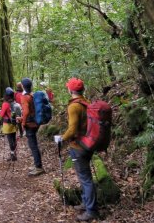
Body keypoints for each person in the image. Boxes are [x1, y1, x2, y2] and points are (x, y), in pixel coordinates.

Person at [58, 77, 99, 221]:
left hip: (78, 146)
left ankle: (91, 211)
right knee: (85, 177)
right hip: (88, 144)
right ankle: (86, 202)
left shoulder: (74, 106)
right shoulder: (86, 102)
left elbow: (72, 129)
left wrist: (62, 138)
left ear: (70, 90)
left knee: (85, 178)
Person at [20, 77, 45, 176]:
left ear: (23, 86)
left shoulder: (25, 97)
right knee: (33, 145)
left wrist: (23, 122)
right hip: (35, 123)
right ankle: (37, 164)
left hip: (30, 124)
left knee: (33, 146)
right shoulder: (33, 95)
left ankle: (39, 167)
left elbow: (26, 112)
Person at [0, 87, 18, 161]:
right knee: (14, 139)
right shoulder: (14, 103)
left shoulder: (5, 104)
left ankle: (12, 155)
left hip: (7, 124)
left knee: (10, 140)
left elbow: (2, 115)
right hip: (14, 123)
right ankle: (14, 154)